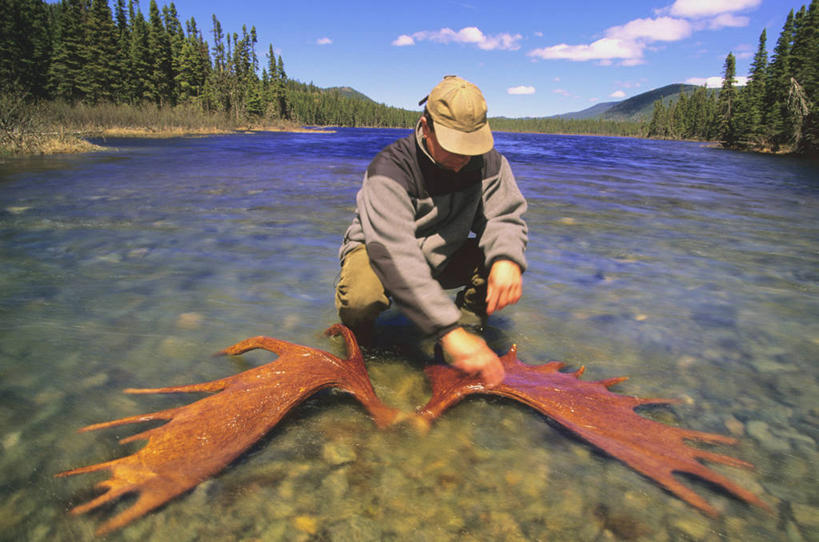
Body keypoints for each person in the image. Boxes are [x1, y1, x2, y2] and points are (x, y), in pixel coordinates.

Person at [335, 75, 528, 387]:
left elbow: (504, 217)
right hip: (381, 254)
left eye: (471, 147)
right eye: (454, 147)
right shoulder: (389, 170)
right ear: (426, 127)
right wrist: (447, 331)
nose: (463, 159)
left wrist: (507, 257)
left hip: (444, 254)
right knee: (361, 298)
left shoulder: (490, 164)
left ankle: (467, 336)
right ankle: (362, 347)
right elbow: (395, 254)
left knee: (498, 258)